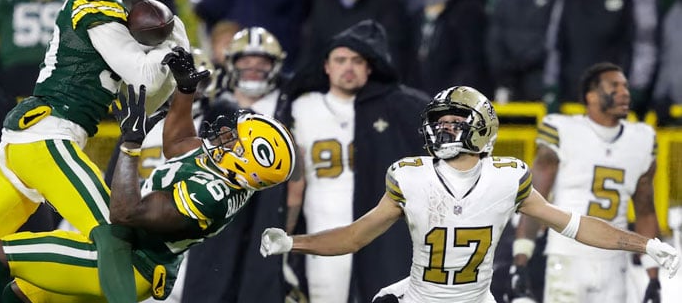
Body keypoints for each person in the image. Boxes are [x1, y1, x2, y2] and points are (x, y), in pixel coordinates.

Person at [260, 85, 681, 303]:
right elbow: (355, 236)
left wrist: (644, 244)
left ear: (482, 126)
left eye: (454, 121)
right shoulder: (410, 176)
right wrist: (294, 243)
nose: (443, 128)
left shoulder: (508, 177)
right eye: (439, 122)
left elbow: (574, 225)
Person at [0, 47, 297, 302]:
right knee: (24, 295)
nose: (228, 133)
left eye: (237, 140)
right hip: (139, 261)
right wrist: (185, 93)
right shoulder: (228, 173)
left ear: (245, 162)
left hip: (129, 265)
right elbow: (177, 146)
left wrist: (131, 144)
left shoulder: (208, 197)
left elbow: (123, 214)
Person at [0, 0, 188, 302]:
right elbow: (143, 74)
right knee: (115, 233)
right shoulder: (95, 3)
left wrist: (180, 74)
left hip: (33, 140)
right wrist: (174, 38)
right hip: (49, 137)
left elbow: (148, 96)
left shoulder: (96, 4)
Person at [283, 19, 429, 302]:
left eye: (356, 60)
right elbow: (293, 184)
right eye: (340, 60)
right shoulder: (302, 108)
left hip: (381, 231)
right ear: (326, 65)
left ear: (369, 67)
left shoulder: (397, 108)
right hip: (324, 226)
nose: (348, 67)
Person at [511, 62, 665, 303]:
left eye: (625, 86)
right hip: (568, 256)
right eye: (614, 86)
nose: (625, 92)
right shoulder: (562, 129)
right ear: (591, 96)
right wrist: (520, 259)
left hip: (615, 261)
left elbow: (645, 209)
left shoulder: (643, 138)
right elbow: (535, 200)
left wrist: (653, 276)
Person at [181, 26, 297, 303]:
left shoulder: (290, 107)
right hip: (214, 221)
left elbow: (297, 184)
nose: (254, 68)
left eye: (262, 62)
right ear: (231, 63)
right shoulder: (212, 108)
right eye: (246, 61)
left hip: (266, 221)